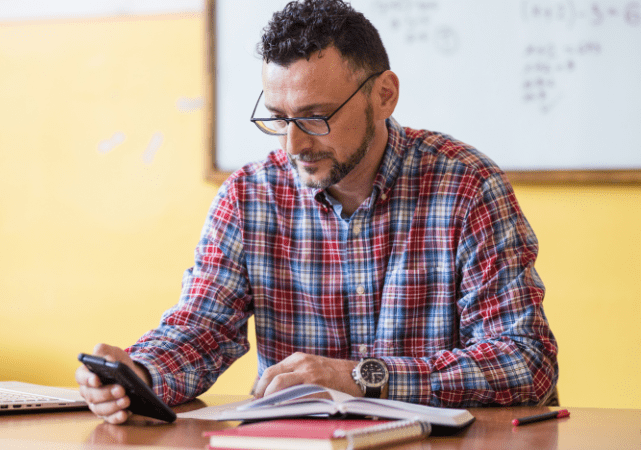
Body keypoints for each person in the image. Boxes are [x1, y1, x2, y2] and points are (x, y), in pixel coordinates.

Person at [76, 0, 557, 424]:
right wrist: (137, 374)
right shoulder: (249, 196)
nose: (294, 144)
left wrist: (361, 377)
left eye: (315, 116)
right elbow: (202, 329)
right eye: (278, 118)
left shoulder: (466, 186)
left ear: (384, 95)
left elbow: (525, 362)